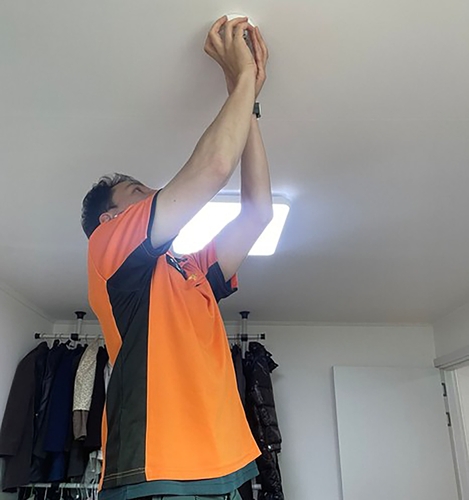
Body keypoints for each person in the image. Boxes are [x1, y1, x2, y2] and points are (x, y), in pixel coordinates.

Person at [81, 16, 272, 500]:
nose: (154, 194)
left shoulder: (190, 268)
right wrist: (241, 79)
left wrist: (248, 102)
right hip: (157, 468)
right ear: (110, 219)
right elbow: (212, 168)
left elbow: (258, 213)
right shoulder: (107, 247)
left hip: (225, 466)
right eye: (137, 192)